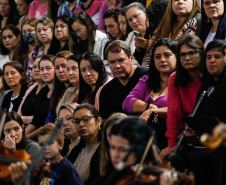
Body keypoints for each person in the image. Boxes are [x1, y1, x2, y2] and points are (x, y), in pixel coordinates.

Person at [176, 40, 226, 185]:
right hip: (207, 141)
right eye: (208, 57)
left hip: (222, 143)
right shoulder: (206, 87)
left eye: (217, 57)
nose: (212, 61)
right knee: (184, 155)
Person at [123, 38, 177, 149]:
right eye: (157, 57)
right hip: (145, 137)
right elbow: (127, 103)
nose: (162, 60)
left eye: (167, 55)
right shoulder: (146, 81)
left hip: (170, 137)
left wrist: (152, 111)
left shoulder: (182, 83)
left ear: (176, 57)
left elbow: (179, 110)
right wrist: (150, 106)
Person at [160, 34, 204, 159]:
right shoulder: (175, 78)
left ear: (201, 53)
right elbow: (173, 113)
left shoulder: (210, 76)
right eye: (182, 54)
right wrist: (172, 145)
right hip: (185, 135)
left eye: (192, 53)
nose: (187, 58)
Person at [99, 40, 148, 119]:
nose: (117, 66)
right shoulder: (107, 90)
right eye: (112, 62)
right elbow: (105, 123)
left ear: (131, 58)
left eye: (121, 60)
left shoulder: (148, 77)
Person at [144, 0, 201, 67]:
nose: (180, 2)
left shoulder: (197, 22)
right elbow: (149, 57)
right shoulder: (163, 26)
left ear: (194, 2)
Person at [67, 103, 103, 185]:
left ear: (98, 121)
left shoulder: (107, 150)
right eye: (77, 121)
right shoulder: (75, 151)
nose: (81, 124)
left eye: (86, 119)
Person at [25, 55, 55, 140]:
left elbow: (49, 124)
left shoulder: (59, 92)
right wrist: (21, 135)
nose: (44, 72)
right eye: (42, 69)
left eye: (48, 68)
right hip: (36, 136)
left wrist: (27, 138)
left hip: (49, 137)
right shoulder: (44, 90)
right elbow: (36, 120)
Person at [44, 51, 72, 125]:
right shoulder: (56, 91)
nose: (60, 70)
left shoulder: (77, 90)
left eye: (64, 66)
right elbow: (50, 118)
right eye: (57, 67)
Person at [17, 56, 45, 125]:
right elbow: (18, 115)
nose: (36, 69)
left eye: (40, 67)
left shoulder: (49, 89)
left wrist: (24, 119)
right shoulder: (30, 88)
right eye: (34, 67)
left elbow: (43, 117)